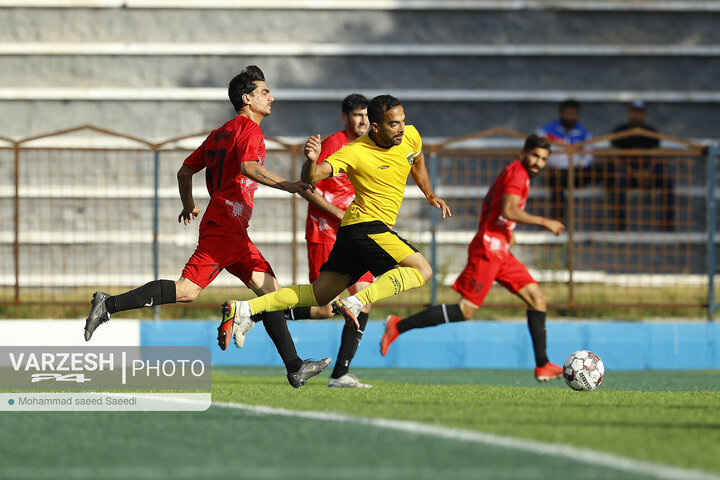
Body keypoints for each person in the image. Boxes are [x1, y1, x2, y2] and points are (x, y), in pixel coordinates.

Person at [83, 65, 330, 389]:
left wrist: (189, 205)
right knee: (188, 290)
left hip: (228, 225)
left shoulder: (220, 133)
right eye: (264, 92)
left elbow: (184, 172)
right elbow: (248, 166)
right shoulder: (249, 131)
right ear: (247, 98)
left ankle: (295, 367)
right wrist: (290, 185)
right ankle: (108, 303)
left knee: (272, 294)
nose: (271, 97)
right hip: (226, 225)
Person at [218, 94, 452, 353]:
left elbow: (416, 159)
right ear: (376, 126)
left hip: (353, 230)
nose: (401, 128)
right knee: (422, 270)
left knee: (318, 296)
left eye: (402, 121)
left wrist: (429, 194)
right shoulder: (355, 151)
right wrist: (311, 161)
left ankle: (245, 309)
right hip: (367, 227)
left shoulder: (410, 136)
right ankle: (355, 303)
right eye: (393, 124)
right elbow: (312, 178)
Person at [380, 134, 567, 382]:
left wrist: (505, 232)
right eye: (534, 156)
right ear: (523, 154)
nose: (538, 162)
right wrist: (545, 221)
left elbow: (493, 206)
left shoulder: (517, 173)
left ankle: (543, 364)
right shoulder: (518, 173)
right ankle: (397, 325)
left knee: (538, 298)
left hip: (500, 249)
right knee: (465, 311)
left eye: (543, 159)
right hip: (487, 251)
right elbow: (509, 209)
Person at [288, 93, 375, 388]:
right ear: (345, 118)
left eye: (367, 115)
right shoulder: (334, 145)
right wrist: (340, 212)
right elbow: (305, 187)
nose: (363, 121)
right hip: (325, 233)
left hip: (352, 235)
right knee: (325, 307)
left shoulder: (368, 147)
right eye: (357, 115)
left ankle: (340, 374)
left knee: (365, 298)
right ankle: (260, 312)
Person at [609, 99, 674, 231]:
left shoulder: (651, 131)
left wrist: (647, 171)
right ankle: (619, 227)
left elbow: (656, 155)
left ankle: (668, 227)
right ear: (629, 112)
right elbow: (615, 157)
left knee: (667, 179)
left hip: (648, 173)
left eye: (640, 112)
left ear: (644, 114)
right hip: (627, 173)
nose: (636, 115)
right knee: (617, 180)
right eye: (634, 112)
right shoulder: (620, 131)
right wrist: (634, 173)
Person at [536, 99, 595, 222]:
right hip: (555, 172)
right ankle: (557, 222)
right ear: (561, 113)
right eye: (567, 113)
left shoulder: (584, 134)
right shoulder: (546, 132)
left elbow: (589, 157)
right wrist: (547, 165)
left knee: (601, 169)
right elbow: (537, 153)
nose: (570, 116)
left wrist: (581, 165)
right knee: (557, 182)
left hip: (577, 172)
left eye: (573, 113)